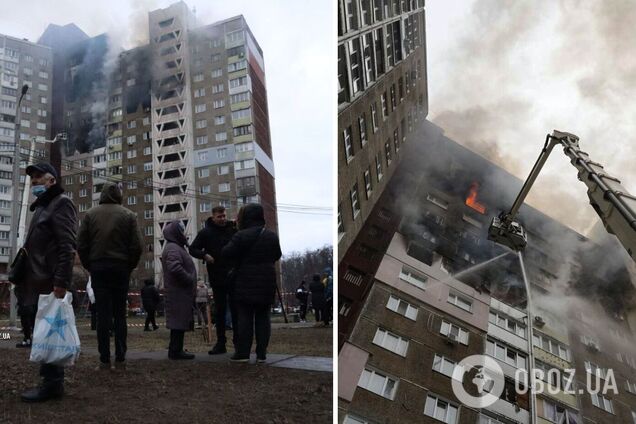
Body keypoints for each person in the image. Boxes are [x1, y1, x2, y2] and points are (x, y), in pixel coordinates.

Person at [15, 162, 77, 402]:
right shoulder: (43, 207)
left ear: (52, 180)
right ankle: (49, 381)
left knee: (50, 332)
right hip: (37, 280)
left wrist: (61, 282)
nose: (34, 182)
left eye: (39, 177)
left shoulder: (61, 203)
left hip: (51, 281)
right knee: (43, 332)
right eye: (32, 179)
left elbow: (67, 247)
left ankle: (53, 385)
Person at [77, 182, 143, 370]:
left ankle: (104, 359)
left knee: (103, 315)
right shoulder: (129, 215)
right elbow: (137, 246)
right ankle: (120, 357)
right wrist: (129, 266)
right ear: (119, 196)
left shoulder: (90, 214)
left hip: (99, 267)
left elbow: (81, 244)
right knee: (120, 314)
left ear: (102, 195)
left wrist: (90, 265)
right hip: (120, 268)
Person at [222, 203, 282, 363]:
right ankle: (261, 353)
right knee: (263, 317)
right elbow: (277, 254)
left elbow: (226, 253)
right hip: (267, 281)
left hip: (244, 281)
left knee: (245, 318)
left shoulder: (241, 236)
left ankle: (243, 353)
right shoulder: (271, 235)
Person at [188, 206, 237, 355]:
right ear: (213, 217)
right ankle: (221, 343)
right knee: (220, 311)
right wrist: (204, 255)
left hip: (234, 275)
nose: (222, 219)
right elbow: (192, 249)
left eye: (224, 216)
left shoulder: (233, 229)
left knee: (236, 310)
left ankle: (239, 342)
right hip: (217, 277)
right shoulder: (206, 232)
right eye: (219, 216)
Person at [161, 220, 197, 360]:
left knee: (179, 322)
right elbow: (174, 267)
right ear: (176, 232)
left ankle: (176, 349)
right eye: (181, 230)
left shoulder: (174, 247)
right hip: (178, 292)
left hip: (179, 292)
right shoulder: (173, 248)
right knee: (178, 322)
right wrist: (189, 279)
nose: (183, 232)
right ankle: (175, 351)